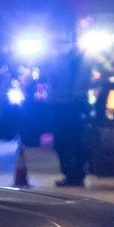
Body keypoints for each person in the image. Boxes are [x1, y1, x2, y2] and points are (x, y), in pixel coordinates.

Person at [48, 37, 89, 187]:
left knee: (76, 142)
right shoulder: (57, 59)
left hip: (75, 105)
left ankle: (76, 175)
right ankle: (70, 173)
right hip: (62, 105)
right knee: (62, 142)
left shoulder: (84, 58)